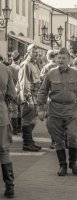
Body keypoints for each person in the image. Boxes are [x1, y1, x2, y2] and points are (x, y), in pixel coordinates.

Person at [37, 48, 77, 176]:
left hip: (72, 110)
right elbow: (43, 91)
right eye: (59, 58)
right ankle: (62, 166)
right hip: (55, 111)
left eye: (63, 58)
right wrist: (41, 109)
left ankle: (73, 162)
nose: (60, 60)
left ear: (69, 59)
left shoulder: (76, 74)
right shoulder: (50, 74)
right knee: (58, 140)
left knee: (72, 137)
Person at [17, 44, 42, 152]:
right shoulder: (26, 64)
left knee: (32, 120)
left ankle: (29, 141)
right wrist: (28, 99)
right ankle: (27, 143)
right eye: (34, 51)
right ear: (28, 52)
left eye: (37, 52)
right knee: (27, 120)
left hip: (35, 95)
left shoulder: (34, 64)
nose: (36, 53)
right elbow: (24, 83)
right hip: (29, 96)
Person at [0, 61, 17, 198]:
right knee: (4, 150)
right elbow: (12, 94)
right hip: (1, 113)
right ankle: (10, 186)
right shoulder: (5, 69)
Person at [40, 49, 58, 149]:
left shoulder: (46, 67)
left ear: (48, 56)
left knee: (52, 121)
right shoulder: (61, 66)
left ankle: (54, 141)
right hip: (60, 97)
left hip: (50, 98)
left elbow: (42, 83)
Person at [9, 50, 22, 135]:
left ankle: (14, 128)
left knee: (14, 109)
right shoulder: (20, 67)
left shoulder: (9, 67)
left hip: (11, 89)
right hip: (20, 89)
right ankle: (18, 127)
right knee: (20, 109)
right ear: (19, 58)